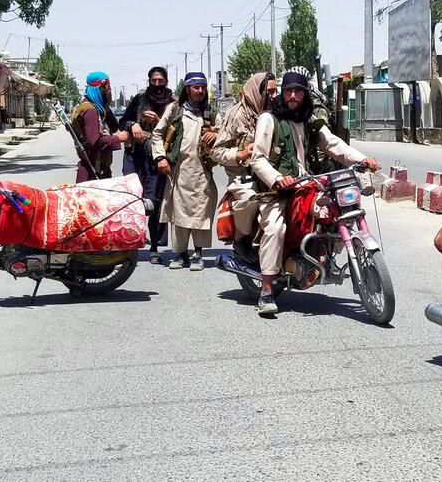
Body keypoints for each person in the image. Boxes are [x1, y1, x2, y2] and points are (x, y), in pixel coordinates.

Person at [250, 71, 380, 316]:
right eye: (288, 91)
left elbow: (333, 144)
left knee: (334, 212)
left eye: (298, 91)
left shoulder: (309, 120)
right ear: (282, 94)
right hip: (277, 191)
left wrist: (362, 159)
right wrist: (277, 178)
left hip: (307, 185)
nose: (293, 96)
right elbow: (258, 159)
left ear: (305, 95)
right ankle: (266, 289)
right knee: (275, 228)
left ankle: (321, 257)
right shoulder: (269, 119)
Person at [151, 72, 220, 271]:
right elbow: (157, 134)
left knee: (201, 212)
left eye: (203, 87)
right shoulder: (174, 110)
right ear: (187, 89)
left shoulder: (211, 112)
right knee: (179, 214)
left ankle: (198, 254)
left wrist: (216, 134)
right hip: (178, 171)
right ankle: (180, 254)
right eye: (196, 87)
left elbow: (226, 133)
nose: (200, 91)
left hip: (202, 171)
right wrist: (160, 157)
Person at [208, 72, 277, 249]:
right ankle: (241, 239)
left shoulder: (275, 113)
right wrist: (242, 154)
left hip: (272, 173)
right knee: (250, 199)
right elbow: (217, 152)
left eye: (275, 91)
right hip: (244, 177)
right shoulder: (236, 115)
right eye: (269, 92)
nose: (274, 96)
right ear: (257, 91)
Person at [119, 66, 176, 262]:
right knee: (131, 198)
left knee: (155, 201)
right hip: (135, 156)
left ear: (166, 81)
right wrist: (132, 124)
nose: (157, 84)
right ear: (149, 81)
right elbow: (123, 121)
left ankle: (155, 247)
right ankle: (129, 244)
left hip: (157, 158)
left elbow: (177, 131)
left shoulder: (173, 103)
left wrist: (160, 121)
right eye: (154, 81)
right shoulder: (139, 99)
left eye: (161, 81)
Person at [70, 71, 127, 183]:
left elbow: (114, 127)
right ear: (100, 88)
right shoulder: (90, 110)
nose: (109, 91)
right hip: (93, 173)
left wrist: (106, 106)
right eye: (108, 87)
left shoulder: (96, 108)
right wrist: (118, 138)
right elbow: (95, 142)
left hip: (99, 169)